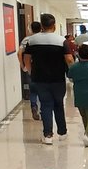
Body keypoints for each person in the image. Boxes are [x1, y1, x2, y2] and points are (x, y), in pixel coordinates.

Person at [24, 13, 73, 144]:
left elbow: (26, 58)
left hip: (40, 79)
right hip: (58, 79)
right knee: (58, 104)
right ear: (54, 25)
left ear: (41, 26)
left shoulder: (32, 40)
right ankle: (62, 132)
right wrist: (72, 72)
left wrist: (30, 71)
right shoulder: (61, 40)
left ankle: (48, 135)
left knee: (45, 105)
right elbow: (69, 59)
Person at [17, 20, 43, 120]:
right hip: (41, 67)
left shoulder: (26, 40)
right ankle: (42, 110)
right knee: (42, 89)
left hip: (29, 67)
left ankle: (33, 106)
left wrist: (23, 66)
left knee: (33, 90)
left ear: (31, 29)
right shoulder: (42, 39)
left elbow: (19, 53)